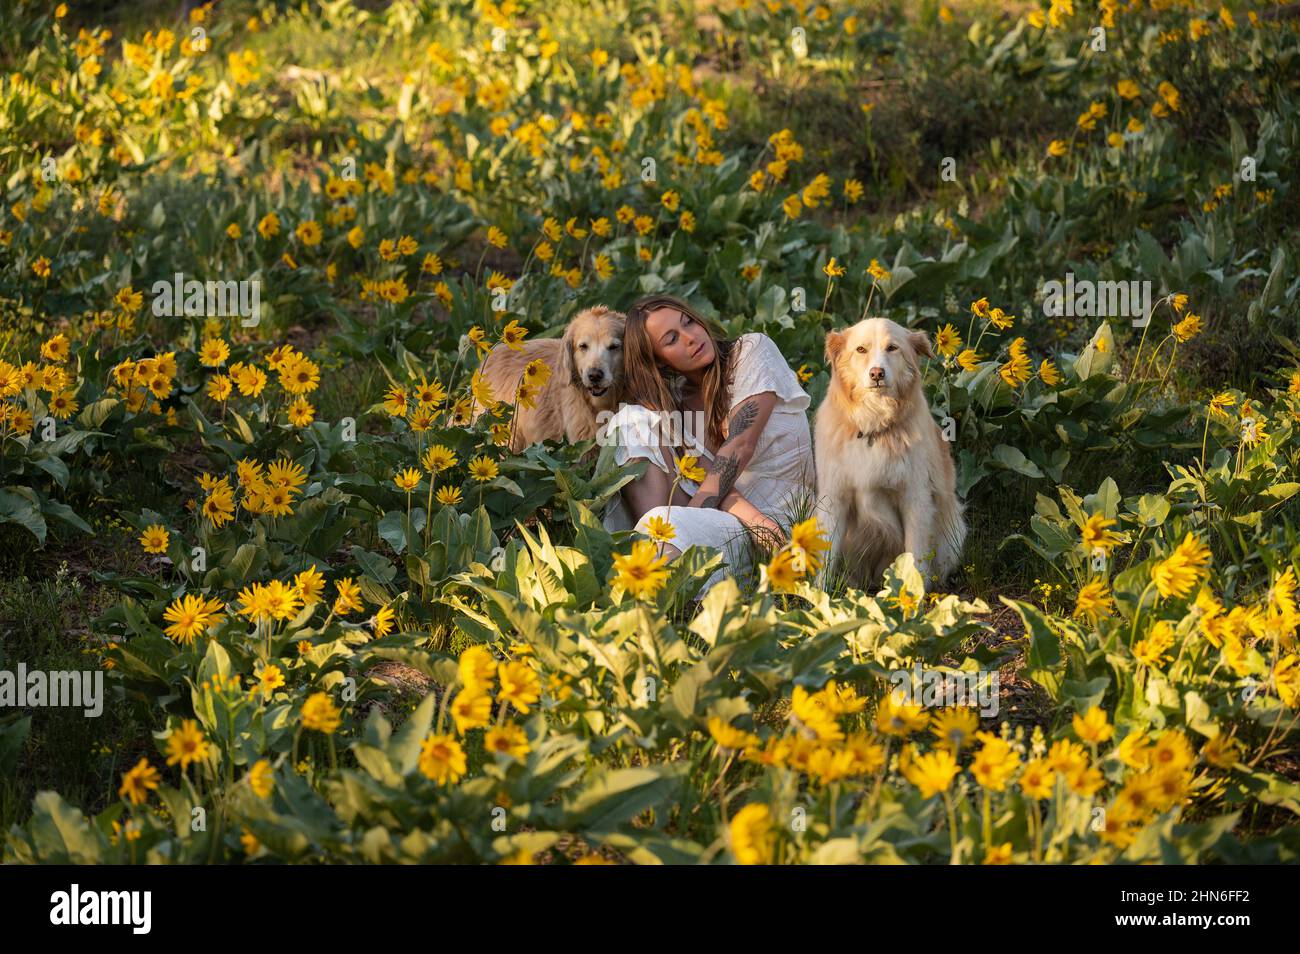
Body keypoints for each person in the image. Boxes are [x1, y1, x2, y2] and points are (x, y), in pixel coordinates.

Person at [602, 294, 815, 587]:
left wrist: (763, 528)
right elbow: (715, 486)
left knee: (672, 535)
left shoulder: (752, 351)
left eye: (688, 322)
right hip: (735, 521)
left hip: (789, 519)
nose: (691, 337)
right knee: (630, 420)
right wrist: (752, 521)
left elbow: (739, 446)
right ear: (660, 363)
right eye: (671, 339)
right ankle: (653, 552)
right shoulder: (678, 406)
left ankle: (650, 568)